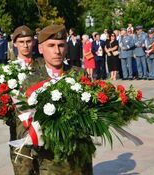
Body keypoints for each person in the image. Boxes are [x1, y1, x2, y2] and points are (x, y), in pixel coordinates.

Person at [22, 24, 93, 175]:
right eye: (51, 45)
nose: (57, 51)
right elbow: (25, 130)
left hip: (79, 162)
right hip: (49, 162)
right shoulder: (31, 82)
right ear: (41, 49)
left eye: (61, 45)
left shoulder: (80, 75)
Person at [8, 25, 39, 175]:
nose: (25, 45)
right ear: (14, 43)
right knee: (22, 168)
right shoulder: (6, 71)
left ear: (33, 42)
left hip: (41, 126)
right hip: (19, 128)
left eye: (28, 41)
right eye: (21, 42)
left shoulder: (42, 67)